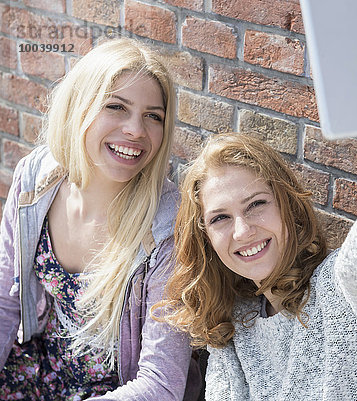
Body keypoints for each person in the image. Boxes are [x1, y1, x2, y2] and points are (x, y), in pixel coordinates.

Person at [159, 112, 357, 400]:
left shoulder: (342, 290)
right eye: (220, 218)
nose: (242, 231)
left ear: (288, 206)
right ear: (206, 239)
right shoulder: (234, 324)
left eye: (256, 205)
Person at [0, 38, 204, 400]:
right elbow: (5, 302)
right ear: (80, 107)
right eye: (116, 107)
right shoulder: (34, 180)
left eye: (152, 116)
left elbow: (161, 384)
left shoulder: (168, 228)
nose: (136, 130)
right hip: (37, 371)